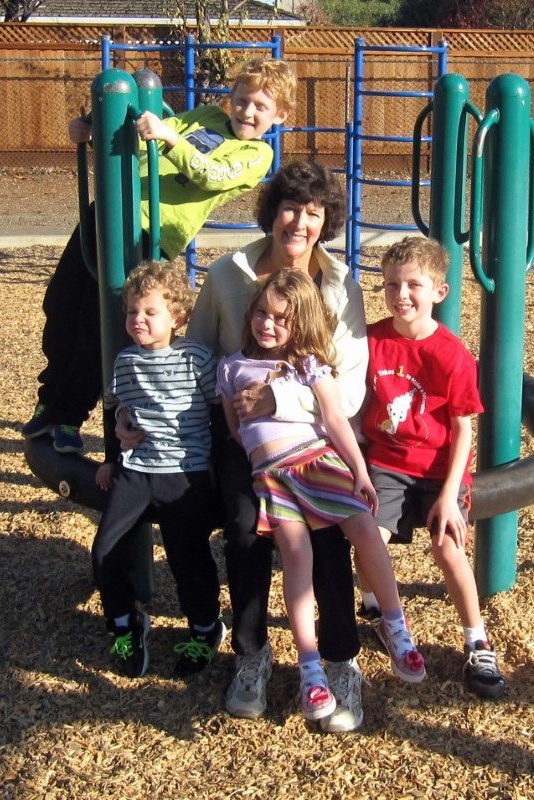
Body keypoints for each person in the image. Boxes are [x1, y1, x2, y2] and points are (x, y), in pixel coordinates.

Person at [21, 58, 296, 454]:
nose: (247, 111)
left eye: (261, 106)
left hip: (149, 233)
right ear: (231, 98)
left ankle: (69, 415)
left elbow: (211, 174)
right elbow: (145, 137)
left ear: (280, 115)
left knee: (99, 323)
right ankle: (49, 399)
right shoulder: (205, 116)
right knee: (61, 303)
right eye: (242, 100)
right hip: (110, 210)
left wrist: (170, 138)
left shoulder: (257, 154)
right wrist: (92, 131)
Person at [184, 160, 370, 732]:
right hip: (245, 441)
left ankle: (339, 659)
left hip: (312, 439)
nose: (300, 222)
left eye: (314, 213)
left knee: (328, 531)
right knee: (245, 528)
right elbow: (199, 357)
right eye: (291, 208)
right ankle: (252, 653)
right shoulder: (228, 276)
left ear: (326, 221)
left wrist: (278, 400)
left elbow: (350, 388)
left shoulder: (340, 285)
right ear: (272, 213)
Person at [216, 269, 426, 721]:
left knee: (364, 527)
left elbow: (334, 419)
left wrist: (359, 471)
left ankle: (396, 625)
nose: (267, 324)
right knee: (296, 555)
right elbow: (236, 431)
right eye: (261, 313)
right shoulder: (231, 367)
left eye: (281, 319)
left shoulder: (308, 364)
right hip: (272, 475)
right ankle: (310, 667)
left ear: (302, 324)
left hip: (317, 461)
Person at [357, 236, 505, 700]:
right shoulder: (372, 340)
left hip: (440, 468)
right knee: (367, 537)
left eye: (413, 285)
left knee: (447, 546)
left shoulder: (450, 354)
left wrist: (448, 496)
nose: (401, 295)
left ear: (439, 291)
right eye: (391, 284)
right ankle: (376, 609)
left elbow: (463, 430)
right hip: (387, 461)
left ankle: (477, 640)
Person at [91, 261, 223, 679]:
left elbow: (218, 412)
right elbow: (117, 410)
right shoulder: (125, 361)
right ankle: (125, 622)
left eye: (150, 312)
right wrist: (111, 456)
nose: (138, 319)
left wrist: (218, 470)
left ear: (177, 318)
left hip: (184, 471)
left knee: (187, 556)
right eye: (132, 311)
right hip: (137, 468)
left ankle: (205, 628)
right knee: (105, 549)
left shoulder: (195, 359)